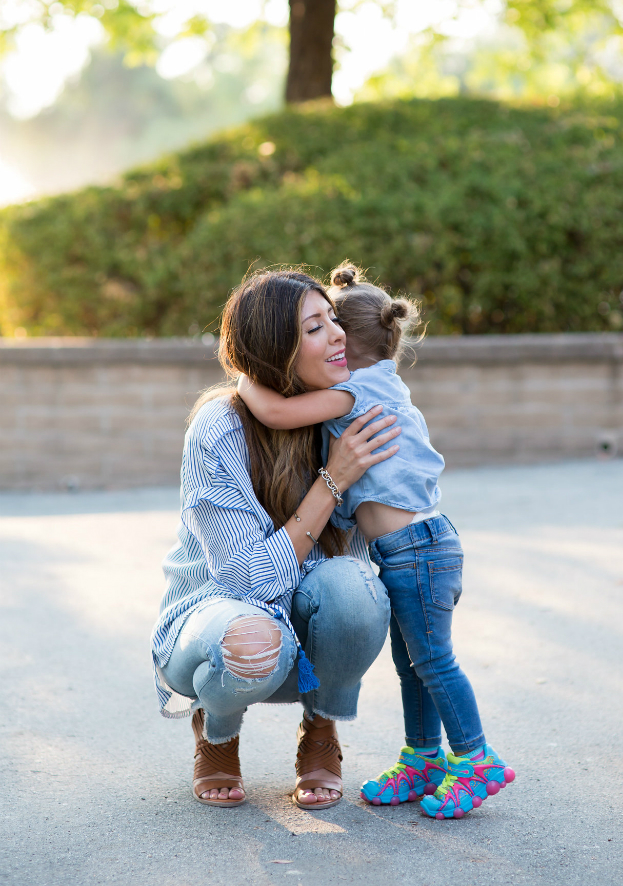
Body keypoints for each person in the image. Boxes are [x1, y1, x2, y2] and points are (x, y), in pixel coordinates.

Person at [237, 262, 515, 821]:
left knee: (432, 661)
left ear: (349, 341)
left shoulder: (352, 394)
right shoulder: (387, 380)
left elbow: (273, 409)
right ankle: (422, 757)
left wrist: (241, 376)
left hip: (417, 551)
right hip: (416, 548)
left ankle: (476, 759)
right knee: (413, 663)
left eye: (330, 327)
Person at [150, 269, 401, 811]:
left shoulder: (349, 413)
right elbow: (247, 581)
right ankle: (217, 729)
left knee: (356, 590)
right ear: (275, 350)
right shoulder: (219, 428)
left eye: (334, 319)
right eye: (315, 328)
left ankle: (322, 728)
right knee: (251, 638)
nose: (337, 334)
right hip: (216, 623)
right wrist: (332, 482)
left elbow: (387, 533)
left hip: (309, 634)